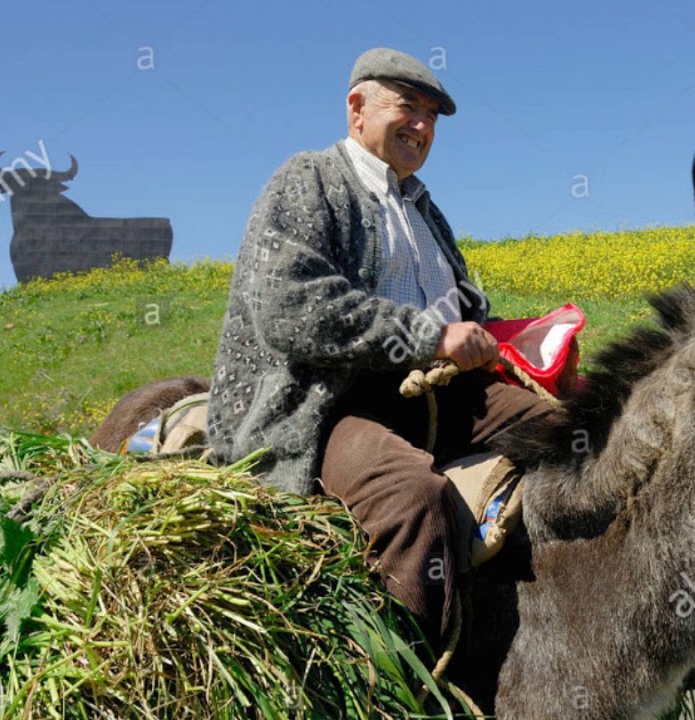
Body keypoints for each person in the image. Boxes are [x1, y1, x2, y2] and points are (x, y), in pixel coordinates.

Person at [205, 48, 553, 649]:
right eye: (407, 107)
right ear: (356, 108)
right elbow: (291, 307)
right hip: (334, 404)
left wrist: (497, 337)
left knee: (573, 431)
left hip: (444, 392)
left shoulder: (423, 208)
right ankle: (408, 688)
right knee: (415, 499)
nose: (422, 125)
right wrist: (430, 336)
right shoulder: (308, 180)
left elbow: (460, 304)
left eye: (432, 116)